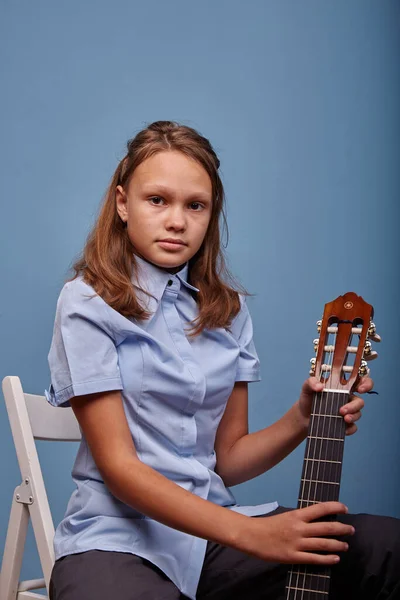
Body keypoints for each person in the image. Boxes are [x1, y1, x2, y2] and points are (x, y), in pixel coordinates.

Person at [45, 121, 399, 600]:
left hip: (211, 541)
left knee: (384, 546)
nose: (177, 221)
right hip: (115, 541)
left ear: (211, 215)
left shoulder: (227, 311)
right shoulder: (87, 302)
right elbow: (120, 468)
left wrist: (301, 418)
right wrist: (249, 533)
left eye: (195, 205)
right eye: (157, 200)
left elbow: (226, 460)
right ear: (123, 203)